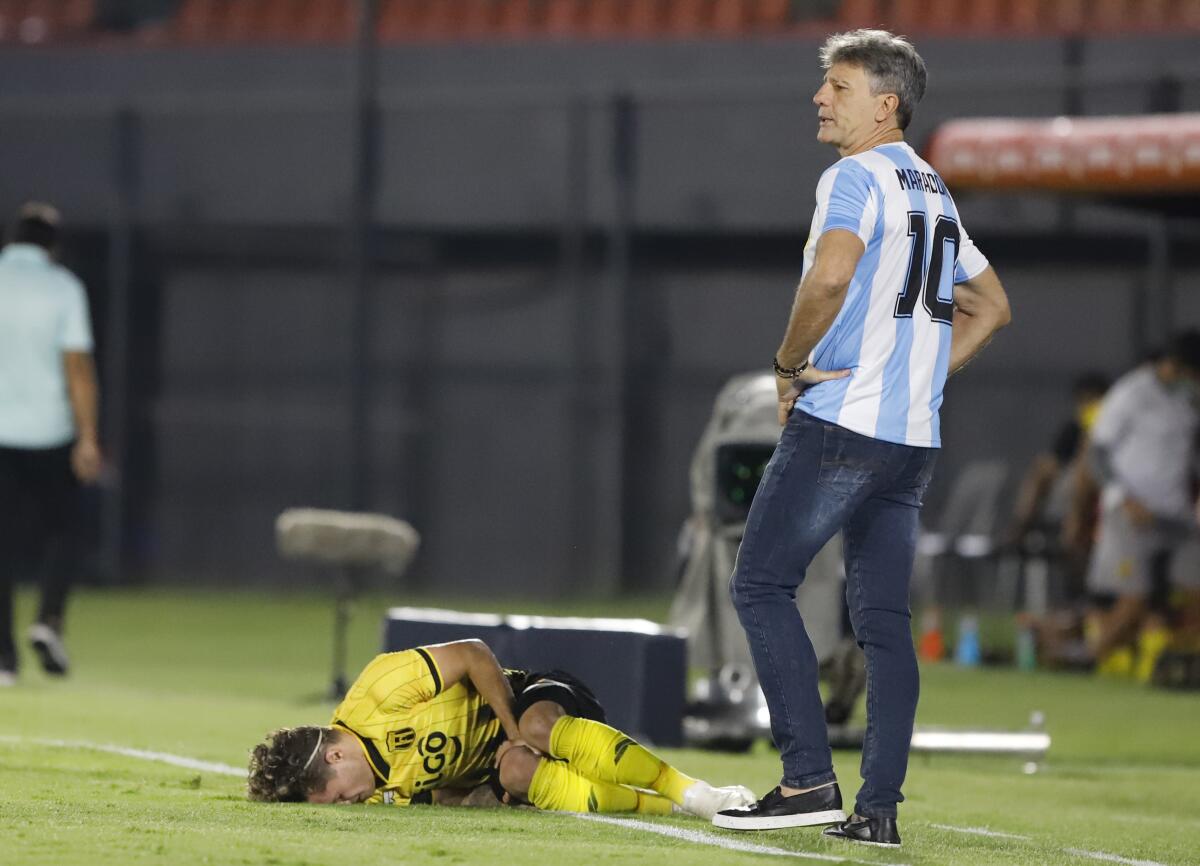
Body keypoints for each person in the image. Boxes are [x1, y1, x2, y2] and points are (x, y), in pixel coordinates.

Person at [712, 30, 1011, 848]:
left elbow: (833, 273)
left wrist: (786, 363)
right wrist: (923, 377)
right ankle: (878, 809)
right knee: (881, 620)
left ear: (886, 104)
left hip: (842, 422)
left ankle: (807, 778)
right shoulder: (936, 191)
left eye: (837, 87)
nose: (819, 98)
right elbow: (992, 305)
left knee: (761, 584)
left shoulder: (854, 177)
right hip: (912, 437)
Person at [247, 638, 755, 818]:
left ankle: (693, 792)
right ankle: (666, 808)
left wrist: (509, 725)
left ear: (334, 757)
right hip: (495, 759)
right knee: (515, 770)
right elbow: (443, 790)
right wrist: (475, 796)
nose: (348, 806)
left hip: (529, 698)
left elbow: (473, 654)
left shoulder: (379, 690)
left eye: (337, 799)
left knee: (532, 732)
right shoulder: (383, 793)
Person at [0, 202, 102, 685]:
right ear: (52, 244)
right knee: (67, 530)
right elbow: (77, 369)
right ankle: (48, 618)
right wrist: (87, 437)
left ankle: (3, 662)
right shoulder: (63, 288)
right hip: (49, 434)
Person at [1080, 332, 1200, 680]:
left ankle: (1175, 664)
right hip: (1131, 514)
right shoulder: (1132, 393)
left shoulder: (1188, 402)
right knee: (1135, 602)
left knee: (1194, 593)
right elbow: (1097, 455)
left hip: (1176, 516)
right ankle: (1086, 664)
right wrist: (1125, 499)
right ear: (1174, 368)